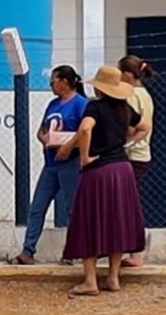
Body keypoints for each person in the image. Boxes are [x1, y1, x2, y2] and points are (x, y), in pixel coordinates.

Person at [58, 65, 150, 296]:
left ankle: (90, 280)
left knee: (89, 222)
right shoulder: (124, 109)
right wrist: (127, 142)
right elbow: (145, 126)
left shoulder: (95, 107)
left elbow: (86, 129)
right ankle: (113, 277)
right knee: (117, 222)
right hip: (122, 169)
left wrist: (85, 157)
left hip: (99, 171)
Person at [12, 65, 89, 265]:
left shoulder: (81, 104)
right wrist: (44, 138)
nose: (51, 86)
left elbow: (85, 132)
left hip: (70, 162)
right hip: (51, 163)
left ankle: (71, 252)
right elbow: (42, 129)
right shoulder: (53, 104)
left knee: (72, 208)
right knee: (37, 207)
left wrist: (68, 147)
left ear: (64, 82)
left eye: (53, 81)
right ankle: (28, 250)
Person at [118, 55, 155, 268]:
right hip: (141, 154)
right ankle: (133, 251)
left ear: (126, 74)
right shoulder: (146, 95)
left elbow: (131, 125)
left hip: (131, 155)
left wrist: (124, 142)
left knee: (128, 205)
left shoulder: (131, 96)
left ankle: (136, 252)